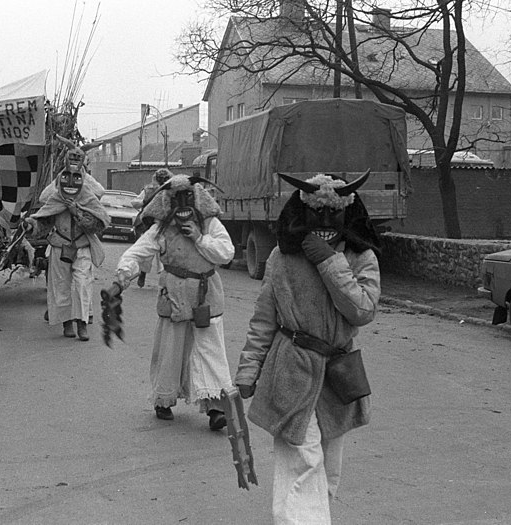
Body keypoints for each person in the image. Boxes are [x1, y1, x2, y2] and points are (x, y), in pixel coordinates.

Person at [234, 172, 380, 524]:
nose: (326, 223)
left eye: (335, 214)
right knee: (302, 462)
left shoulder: (362, 258)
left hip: (337, 376)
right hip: (291, 371)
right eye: (318, 214)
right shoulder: (281, 260)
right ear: (302, 213)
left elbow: (362, 310)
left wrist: (329, 260)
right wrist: (248, 369)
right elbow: (264, 320)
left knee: (328, 470)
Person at [115, 174, 235, 430]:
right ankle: (164, 399)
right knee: (170, 350)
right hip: (174, 295)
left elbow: (226, 253)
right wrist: (124, 275)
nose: (182, 204)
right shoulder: (160, 229)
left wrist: (199, 238)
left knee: (210, 350)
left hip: (206, 297)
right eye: (176, 198)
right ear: (167, 201)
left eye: (187, 197)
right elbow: (137, 251)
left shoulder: (210, 224)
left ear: (197, 198)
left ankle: (216, 408)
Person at [25, 162, 110, 341]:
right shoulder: (55, 199)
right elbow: (44, 223)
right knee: (61, 286)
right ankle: (66, 323)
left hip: (82, 247)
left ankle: (82, 324)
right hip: (59, 247)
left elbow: (97, 224)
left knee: (82, 285)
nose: (70, 183)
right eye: (66, 178)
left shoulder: (88, 198)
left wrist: (77, 212)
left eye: (76, 178)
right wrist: (31, 224)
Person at [130, 168, 172, 287]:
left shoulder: (171, 190)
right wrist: (145, 203)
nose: (162, 179)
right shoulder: (149, 190)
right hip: (148, 222)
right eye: (161, 177)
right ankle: (143, 273)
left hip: (163, 222)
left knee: (162, 250)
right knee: (149, 249)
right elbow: (135, 202)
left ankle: (164, 275)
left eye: (164, 177)